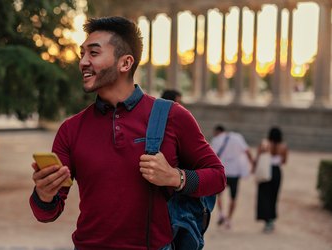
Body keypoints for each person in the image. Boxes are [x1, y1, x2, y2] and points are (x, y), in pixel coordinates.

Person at [29, 16, 226, 250]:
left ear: (125, 63)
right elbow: (46, 214)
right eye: (82, 54)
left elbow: (217, 176)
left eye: (93, 53)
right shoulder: (71, 129)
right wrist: (43, 194)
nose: (83, 62)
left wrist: (176, 177)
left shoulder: (173, 116)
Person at [211, 124, 254, 229]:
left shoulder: (216, 140)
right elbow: (247, 151)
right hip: (234, 172)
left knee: (219, 195)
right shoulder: (237, 137)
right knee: (233, 197)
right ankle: (229, 219)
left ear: (217, 132)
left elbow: (211, 156)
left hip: (222, 172)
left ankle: (221, 214)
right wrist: (253, 164)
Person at [255, 126, 288, 233]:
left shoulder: (264, 144)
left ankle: (266, 221)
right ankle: (272, 219)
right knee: (274, 196)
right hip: (276, 172)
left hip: (265, 170)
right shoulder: (283, 146)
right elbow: (284, 161)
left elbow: (258, 157)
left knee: (264, 196)